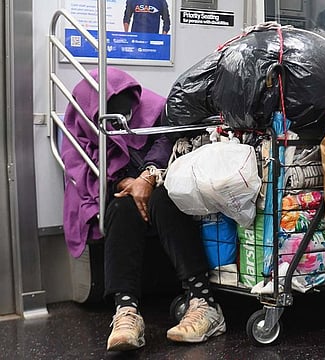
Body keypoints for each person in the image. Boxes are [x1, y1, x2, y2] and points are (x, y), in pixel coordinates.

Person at [61, 67, 226, 351]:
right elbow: (81, 163)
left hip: (156, 177)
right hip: (120, 186)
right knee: (123, 208)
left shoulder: (151, 107)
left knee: (167, 199)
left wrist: (147, 176)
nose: (124, 120)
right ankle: (126, 311)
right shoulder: (80, 122)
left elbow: (165, 140)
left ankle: (204, 303)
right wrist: (124, 179)